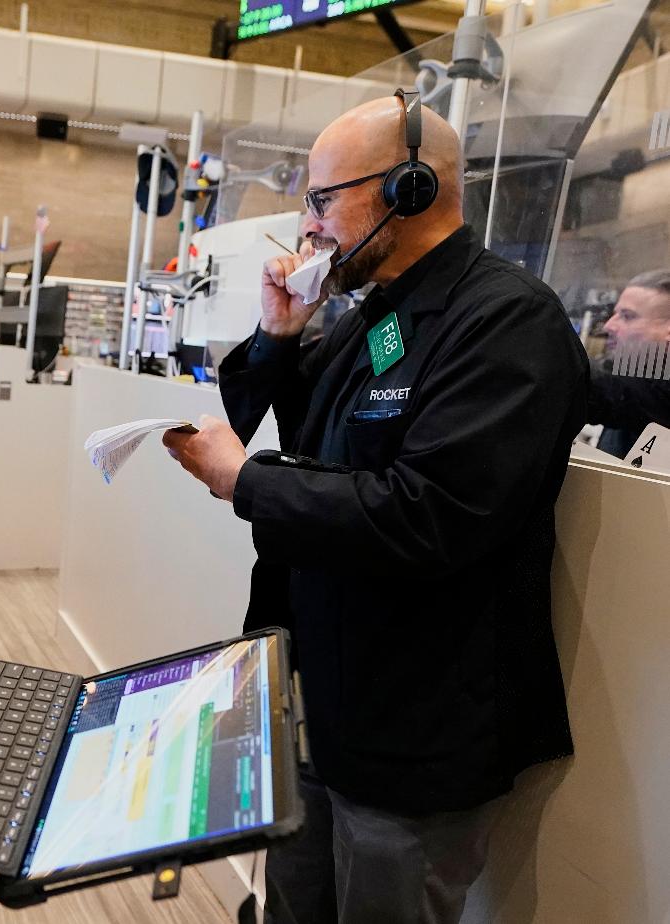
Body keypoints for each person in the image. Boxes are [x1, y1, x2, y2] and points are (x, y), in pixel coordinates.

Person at [163, 93, 588, 924]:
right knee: (291, 906)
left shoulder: (506, 322)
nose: (309, 222)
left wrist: (244, 482)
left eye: (323, 198)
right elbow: (300, 432)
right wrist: (280, 335)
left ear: (411, 189)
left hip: (414, 733)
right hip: (318, 695)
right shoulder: (380, 315)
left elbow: (428, 515)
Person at [589, 269, 670, 458]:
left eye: (628, 316)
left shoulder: (658, 389)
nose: (609, 325)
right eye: (615, 314)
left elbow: (601, 388)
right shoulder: (632, 369)